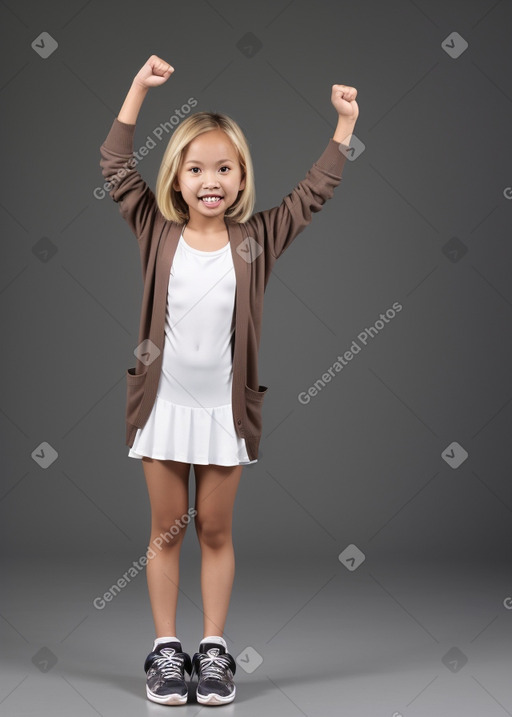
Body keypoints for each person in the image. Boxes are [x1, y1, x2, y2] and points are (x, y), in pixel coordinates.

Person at [99, 54, 358, 706]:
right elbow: (113, 165)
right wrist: (136, 89)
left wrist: (344, 125)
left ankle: (212, 651)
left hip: (224, 410)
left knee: (214, 530)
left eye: (223, 168)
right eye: (196, 169)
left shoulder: (257, 240)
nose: (210, 180)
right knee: (166, 531)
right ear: (177, 180)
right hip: (160, 409)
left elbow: (312, 194)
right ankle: (165, 651)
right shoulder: (156, 232)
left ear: (241, 178)